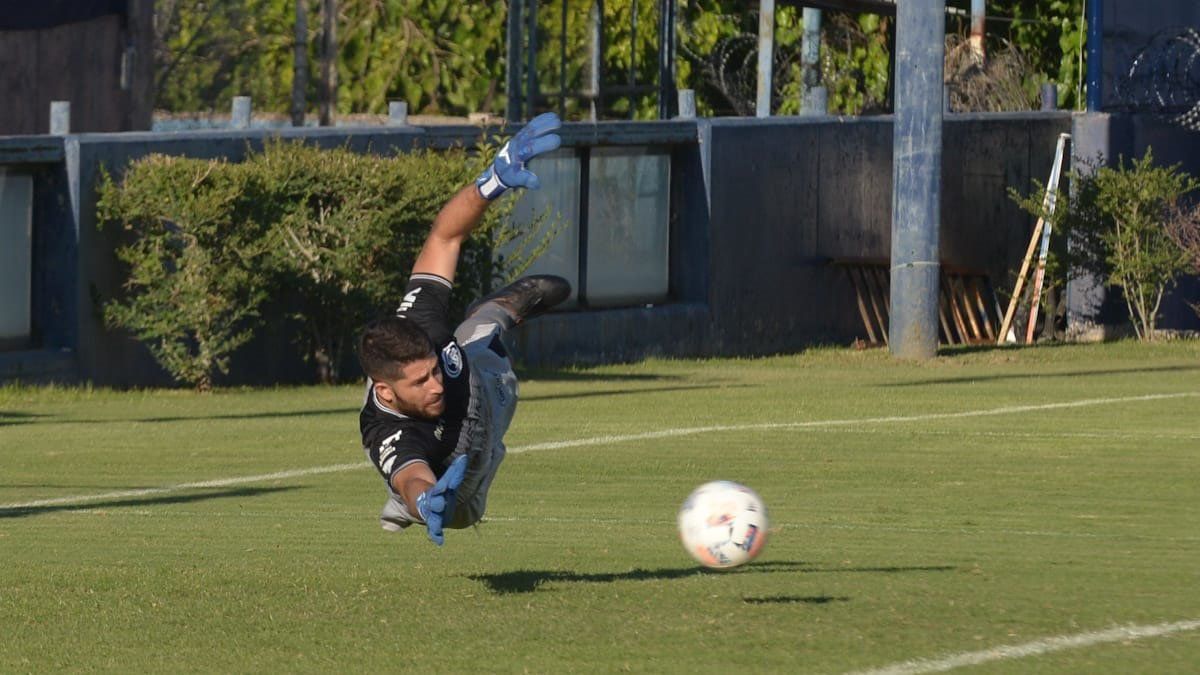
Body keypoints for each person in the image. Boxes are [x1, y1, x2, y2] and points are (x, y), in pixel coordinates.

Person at [356, 112, 570, 545]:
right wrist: (423, 499)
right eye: (420, 381)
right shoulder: (385, 429)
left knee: (484, 338)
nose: (435, 384)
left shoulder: (423, 323)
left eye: (434, 369)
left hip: (484, 387)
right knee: (455, 511)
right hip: (459, 461)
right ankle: (412, 508)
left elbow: (443, 237)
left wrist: (490, 182)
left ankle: (495, 310)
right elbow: (412, 475)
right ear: (386, 392)